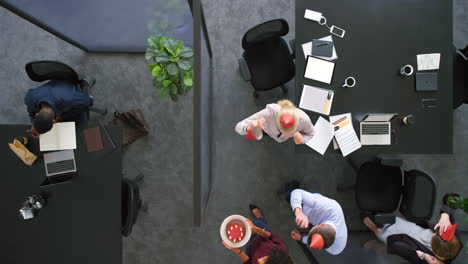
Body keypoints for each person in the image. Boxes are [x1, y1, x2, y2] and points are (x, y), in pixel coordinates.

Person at [362, 194, 462, 264]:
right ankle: (380, 236)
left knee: (380, 232)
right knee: (394, 220)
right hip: (411, 227)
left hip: (397, 238)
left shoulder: (426, 260)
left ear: (435, 253)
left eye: (435, 236)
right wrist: (445, 215)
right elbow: (452, 197)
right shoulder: (456, 240)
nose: (433, 233)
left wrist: (422, 255)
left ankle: (375, 233)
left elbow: (396, 245)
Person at [286, 184, 348, 255]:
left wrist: (301, 238)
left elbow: (315, 240)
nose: (308, 226)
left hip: (312, 214)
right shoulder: (326, 206)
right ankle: (294, 185)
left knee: (293, 204)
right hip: (309, 205)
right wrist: (298, 211)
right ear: (322, 224)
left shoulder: (335, 249)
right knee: (289, 196)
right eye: (312, 229)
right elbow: (297, 192)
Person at [221, 204, 294, 264]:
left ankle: (260, 220)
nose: (259, 260)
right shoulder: (282, 249)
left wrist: (237, 251)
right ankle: (260, 218)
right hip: (263, 235)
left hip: (250, 248)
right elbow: (272, 236)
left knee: (247, 236)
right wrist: (255, 229)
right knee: (259, 223)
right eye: (265, 258)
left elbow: (248, 262)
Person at [24, 79, 92, 138]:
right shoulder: (30, 98)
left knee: (80, 129)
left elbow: (88, 101)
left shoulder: (69, 99)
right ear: (37, 114)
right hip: (55, 88)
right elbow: (31, 112)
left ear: (54, 121)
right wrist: (34, 126)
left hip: (70, 88)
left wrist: (61, 117)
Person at [235, 99, 314, 144]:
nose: (286, 136)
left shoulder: (305, 120)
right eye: (282, 131)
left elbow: (311, 134)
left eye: (290, 133)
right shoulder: (269, 113)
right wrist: (249, 127)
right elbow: (238, 127)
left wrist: (302, 140)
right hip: (267, 130)